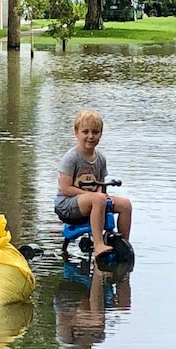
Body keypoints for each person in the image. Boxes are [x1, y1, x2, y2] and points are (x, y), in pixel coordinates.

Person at [55, 110, 132, 260]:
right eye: (86, 132)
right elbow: (65, 188)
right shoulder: (71, 158)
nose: (90, 136)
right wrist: (93, 196)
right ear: (76, 132)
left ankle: (122, 242)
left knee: (125, 204)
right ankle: (98, 244)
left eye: (95, 132)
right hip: (68, 204)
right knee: (98, 199)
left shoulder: (100, 158)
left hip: (92, 200)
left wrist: (100, 194)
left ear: (100, 134)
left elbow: (100, 184)